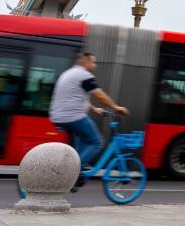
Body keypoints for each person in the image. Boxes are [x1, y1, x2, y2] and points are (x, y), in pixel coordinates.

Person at [49, 52, 128, 185]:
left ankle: (73, 173)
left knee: (83, 139)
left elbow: (76, 96)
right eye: (93, 62)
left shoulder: (68, 73)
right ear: (85, 62)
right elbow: (100, 95)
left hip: (58, 116)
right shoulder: (84, 75)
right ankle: (74, 170)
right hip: (73, 117)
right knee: (97, 142)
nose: (95, 65)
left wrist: (94, 109)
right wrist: (116, 107)